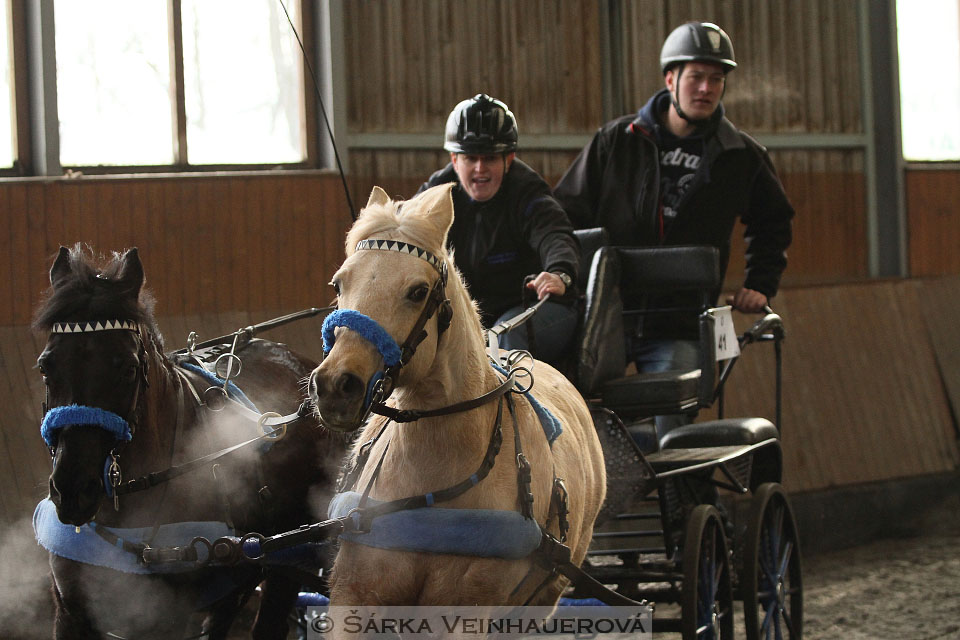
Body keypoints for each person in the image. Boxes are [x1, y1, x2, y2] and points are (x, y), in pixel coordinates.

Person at [553, 22, 794, 437]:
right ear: (671, 79)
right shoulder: (617, 141)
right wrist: (565, 275)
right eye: (696, 77)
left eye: (716, 79)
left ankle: (681, 502)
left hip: (683, 321)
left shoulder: (741, 156)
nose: (706, 88)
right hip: (607, 314)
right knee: (578, 424)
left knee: (673, 433)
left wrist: (761, 283)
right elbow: (566, 213)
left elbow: (772, 222)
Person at [416, 94, 580, 368]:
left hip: (534, 308)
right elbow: (404, 233)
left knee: (504, 336)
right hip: (467, 316)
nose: (480, 169)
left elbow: (555, 234)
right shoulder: (434, 195)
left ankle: (512, 411)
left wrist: (559, 272)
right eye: (470, 158)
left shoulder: (527, 192)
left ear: (509, 159)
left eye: (490, 158)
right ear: (455, 160)